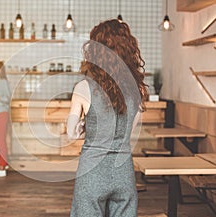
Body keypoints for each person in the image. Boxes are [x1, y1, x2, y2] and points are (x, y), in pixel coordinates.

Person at [67, 19, 148, 217]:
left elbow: (71, 134)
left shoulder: (84, 88)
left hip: (91, 174)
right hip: (123, 173)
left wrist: (83, 126)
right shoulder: (136, 89)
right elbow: (127, 130)